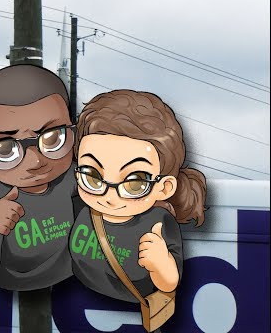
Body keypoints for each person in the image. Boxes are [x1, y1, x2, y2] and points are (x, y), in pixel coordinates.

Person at [69, 89, 206, 305]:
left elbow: (169, 283)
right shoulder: (81, 205)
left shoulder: (157, 223)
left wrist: (161, 263)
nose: (109, 194)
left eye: (135, 183)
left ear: (164, 187)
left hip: (125, 306)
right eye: (92, 176)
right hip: (83, 296)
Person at [0, 64, 78, 291]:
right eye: (5, 150)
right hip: (18, 294)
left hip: (72, 286)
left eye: (53, 139)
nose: (35, 162)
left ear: (75, 132)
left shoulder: (75, 177)